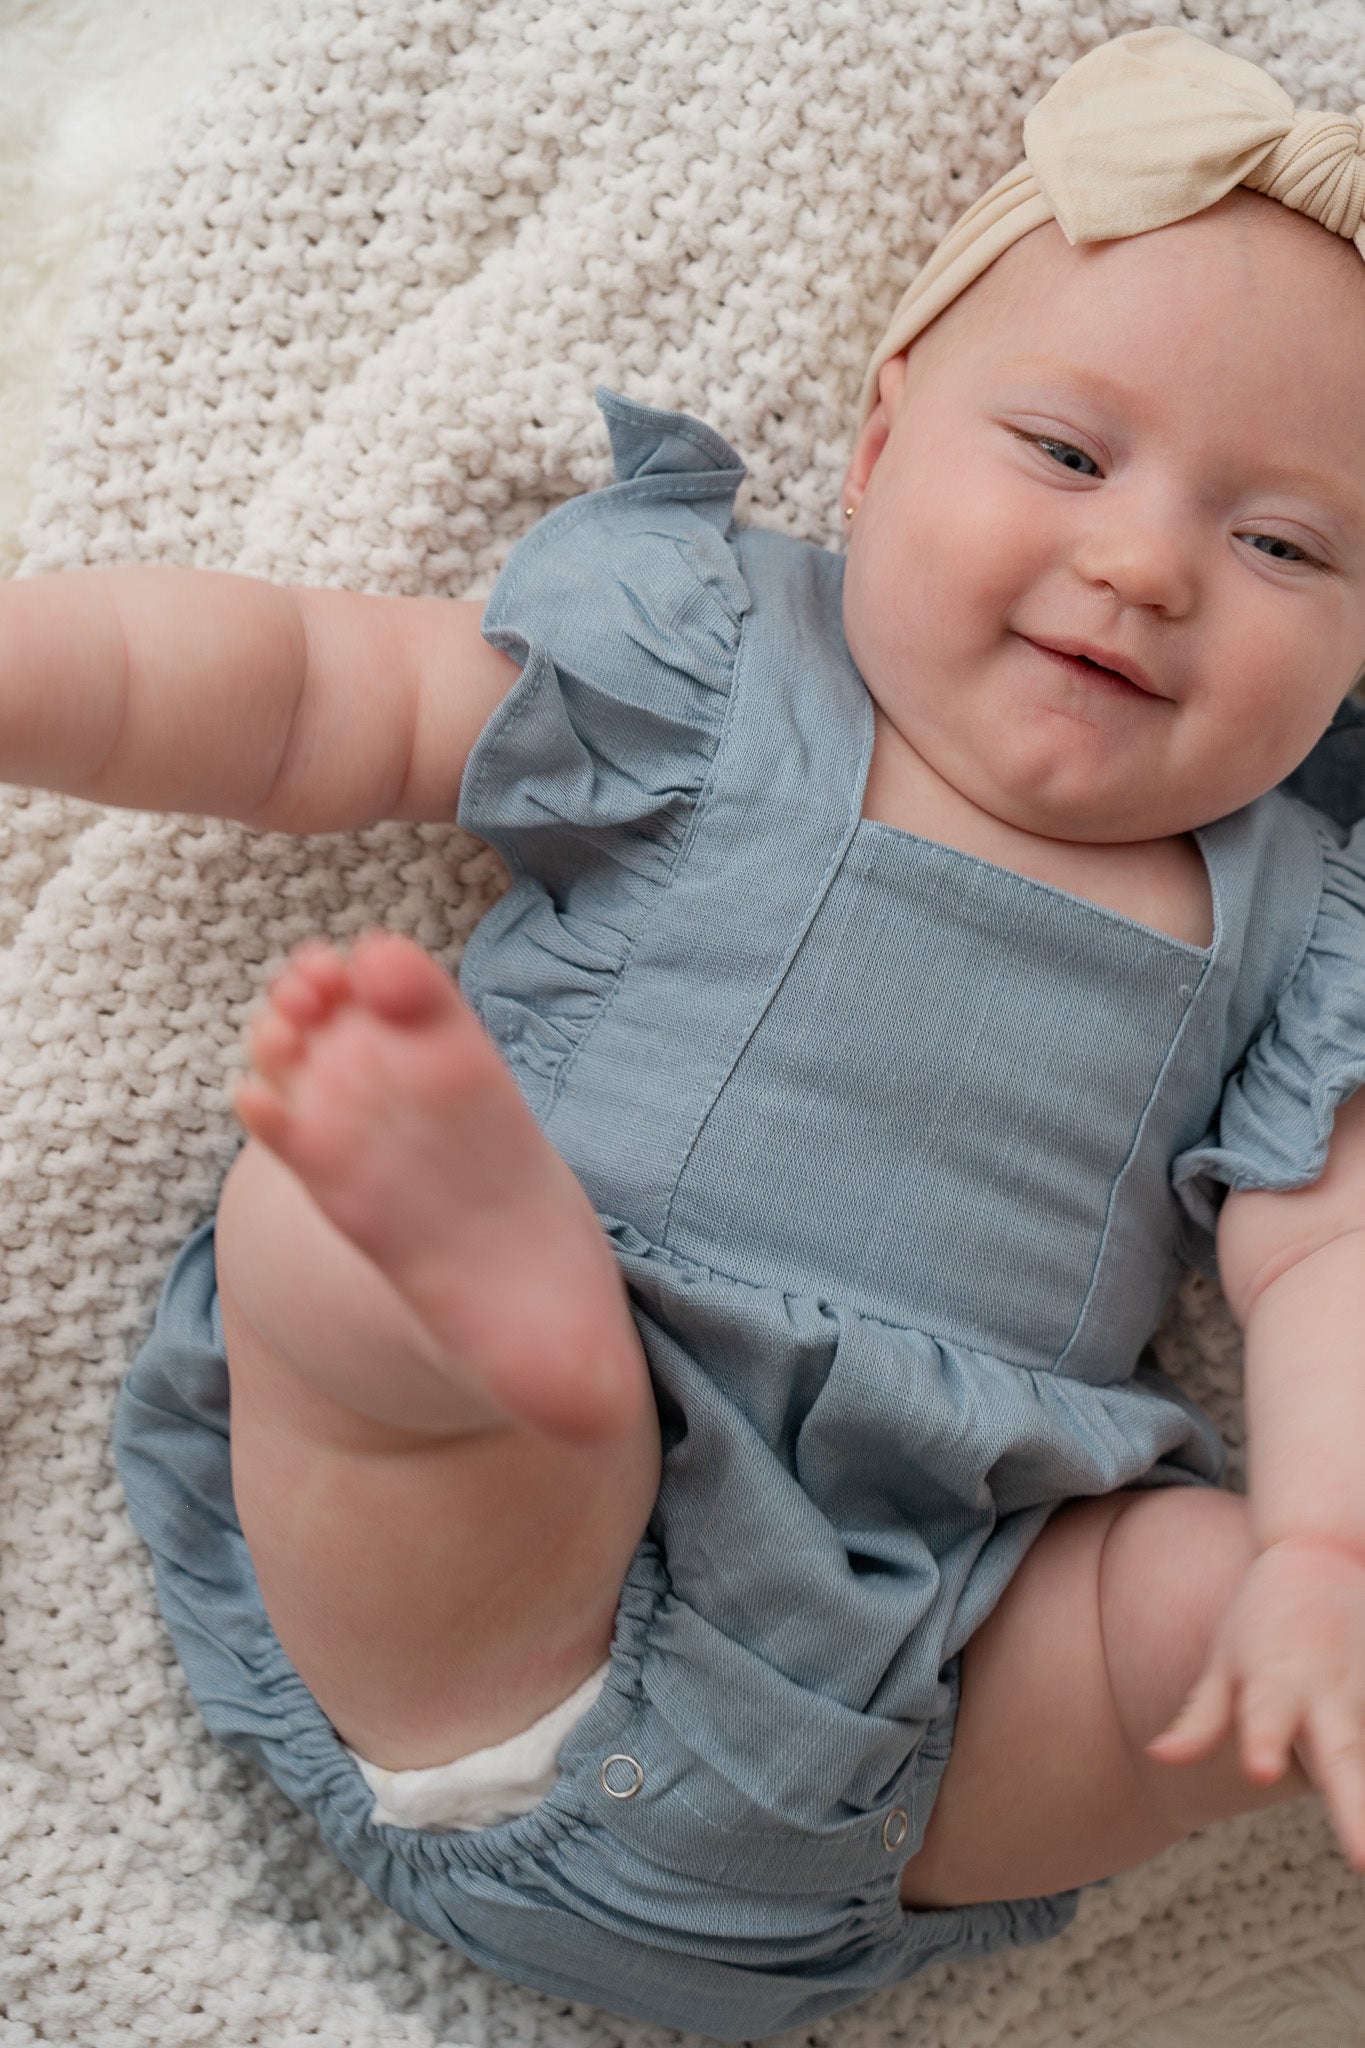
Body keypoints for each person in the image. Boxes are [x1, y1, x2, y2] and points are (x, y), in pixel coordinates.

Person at [16, 23, 1361, 2038]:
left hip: (904, 1721)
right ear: (881, 437)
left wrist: (1315, 1552)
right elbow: (312, 692)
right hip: (474, 1656)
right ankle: (506, 1329)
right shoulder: (720, 660)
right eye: (1067, 454)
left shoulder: (1294, 911)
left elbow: (1326, 1252)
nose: (1140, 562)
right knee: (333, 1245)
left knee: (1179, 1597)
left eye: (1283, 544)